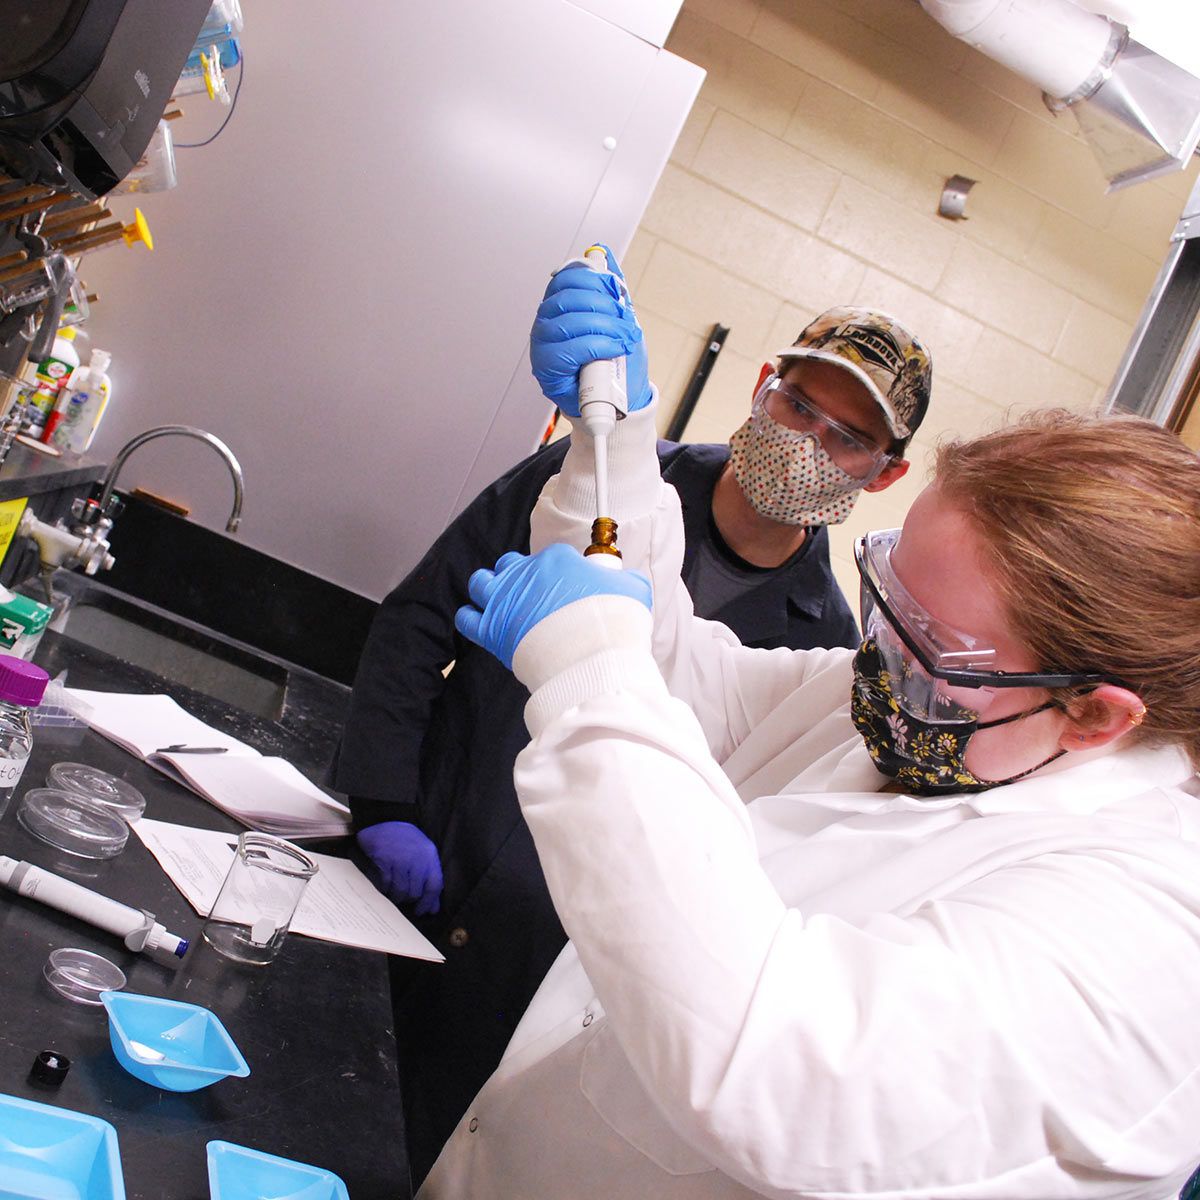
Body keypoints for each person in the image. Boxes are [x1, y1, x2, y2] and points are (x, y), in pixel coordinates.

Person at [416, 253, 1200, 1198]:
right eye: (886, 594)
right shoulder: (901, 711)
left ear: (1095, 715)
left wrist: (592, 674)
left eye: (929, 639)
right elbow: (659, 659)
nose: (878, 652)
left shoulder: (1149, 938)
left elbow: (793, 1074)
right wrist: (613, 435)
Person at [332, 255, 932, 1183]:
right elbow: (419, 618)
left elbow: (688, 787)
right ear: (763, 386)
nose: (812, 441)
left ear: (884, 477)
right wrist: (382, 800)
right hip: (426, 852)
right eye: (800, 406)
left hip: (551, 958)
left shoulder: (829, 651)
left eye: (850, 438)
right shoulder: (600, 479)